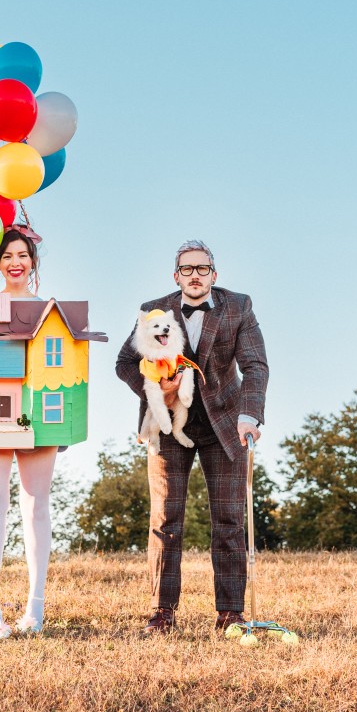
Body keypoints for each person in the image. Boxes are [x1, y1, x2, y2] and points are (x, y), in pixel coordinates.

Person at [115, 240, 269, 634]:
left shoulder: (239, 306)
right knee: (166, 517)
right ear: (176, 276)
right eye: (187, 269)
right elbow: (124, 362)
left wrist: (250, 415)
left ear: (214, 275)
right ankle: (162, 612)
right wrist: (156, 389)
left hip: (226, 424)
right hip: (168, 423)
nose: (195, 275)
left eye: (203, 268)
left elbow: (255, 366)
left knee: (231, 520)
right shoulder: (155, 309)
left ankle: (231, 613)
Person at [0, 227, 57, 640]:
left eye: (22, 255)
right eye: (7, 256)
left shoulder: (49, 310)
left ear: (33, 262)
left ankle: (34, 609)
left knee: (36, 504)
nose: (15, 262)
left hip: (40, 413)